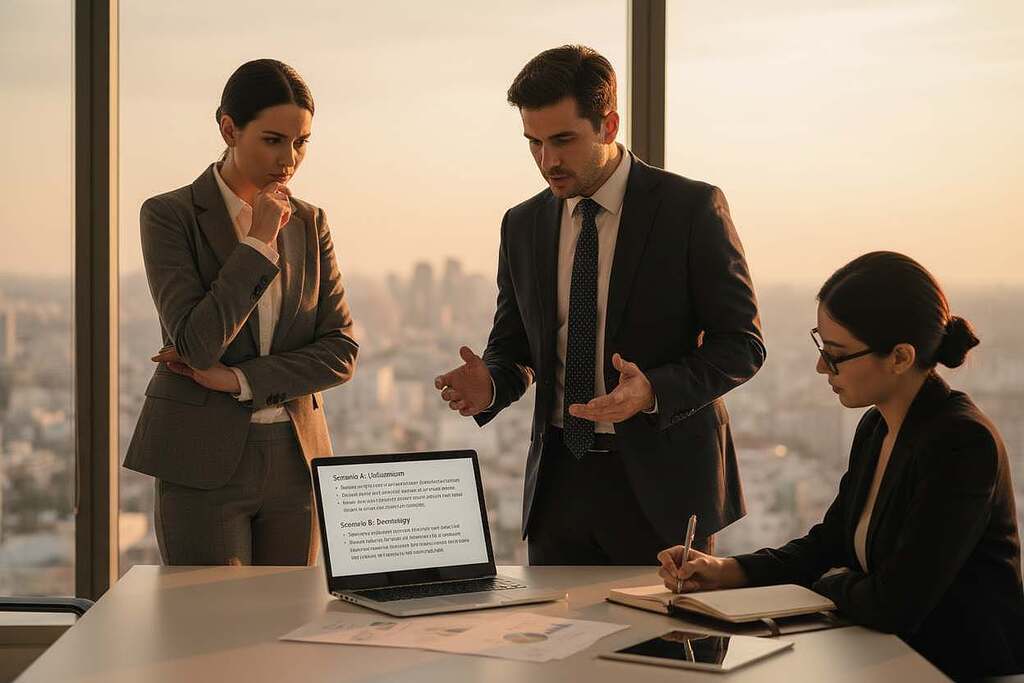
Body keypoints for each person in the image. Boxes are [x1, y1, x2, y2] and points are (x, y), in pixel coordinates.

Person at [434, 45, 765, 565]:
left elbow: (742, 344)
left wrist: (653, 389)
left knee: (668, 646)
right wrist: (494, 382)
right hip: (558, 487)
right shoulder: (522, 224)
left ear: (608, 125)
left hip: (664, 489)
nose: (548, 161)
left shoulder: (689, 209)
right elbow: (515, 345)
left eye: (563, 140)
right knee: (552, 645)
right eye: (534, 143)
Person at [657, 252, 1024, 680]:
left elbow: (896, 602)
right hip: (885, 656)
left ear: (901, 357)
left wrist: (826, 582)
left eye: (835, 355)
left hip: (957, 669)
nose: (820, 367)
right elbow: (830, 542)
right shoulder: (877, 425)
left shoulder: (962, 442)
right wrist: (726, 570)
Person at [124, 59, 358, 566]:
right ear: (229, 129)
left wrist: (238, 380)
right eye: (273, 140)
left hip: (297, 457)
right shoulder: (169, 215)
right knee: (210, 628)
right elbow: (195, 343)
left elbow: (341, 351)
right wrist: (257, 243)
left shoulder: (311, 223)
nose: (289, 159)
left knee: (287, 631)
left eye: (301, 142)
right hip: (201, 460)